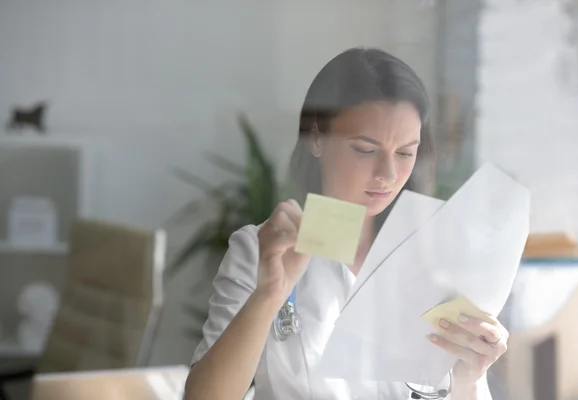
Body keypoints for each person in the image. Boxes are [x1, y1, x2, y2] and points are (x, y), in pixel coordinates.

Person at [184, 47, 509, 400]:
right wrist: (269, 295)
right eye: (366, 150)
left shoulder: (433, 255)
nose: (387, 174)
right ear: (317, 137)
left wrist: (471, 376)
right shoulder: (260, 251)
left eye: (405, 153)